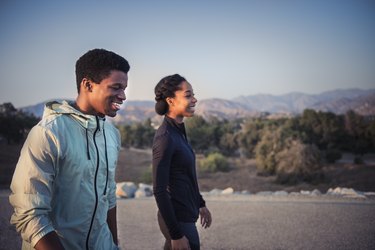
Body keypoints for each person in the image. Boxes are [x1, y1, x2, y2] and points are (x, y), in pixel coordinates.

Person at [9, 48, 130, 250]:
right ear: (88, 85)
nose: (123, 96)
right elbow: (30, 213)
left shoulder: (111, 134)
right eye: (116, 87)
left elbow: (108, 196)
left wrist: (114, 245)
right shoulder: (48, 134)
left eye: (124, 88)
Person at [152, 74, 212, 250]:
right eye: (188, 95)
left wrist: (200, 203)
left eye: (193, 94)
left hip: (186, 215)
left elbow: (186, 175)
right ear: (170, 101)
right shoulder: (165, 138)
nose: (194, 100)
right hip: (177, 221)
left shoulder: (178, 132)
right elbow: (159, 190)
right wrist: (176, 234)